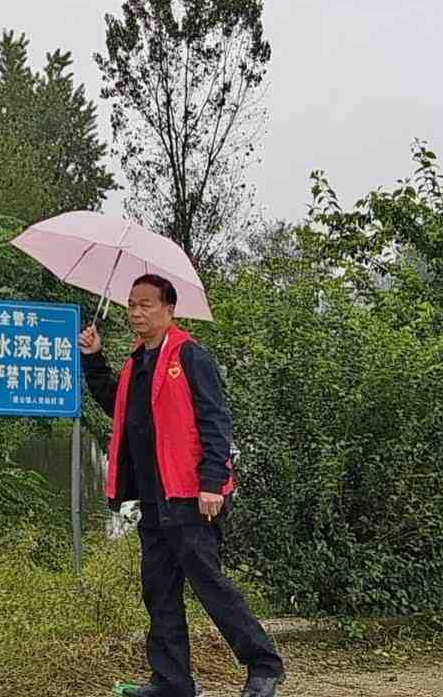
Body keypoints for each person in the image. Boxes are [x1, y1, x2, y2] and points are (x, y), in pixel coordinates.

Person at [82, 274, 283, 697]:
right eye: (131, 305)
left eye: (146, 304)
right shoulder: (137, 362)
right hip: (154, 499)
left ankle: (264, 666)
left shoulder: (189, 355)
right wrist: (94, 360)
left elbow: (216, 420)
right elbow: (119, 407)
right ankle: (172, 681)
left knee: (209, 584)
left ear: (169, 309)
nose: (136, 312)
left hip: (191, 496)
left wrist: (212, 482)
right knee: (159, 590)